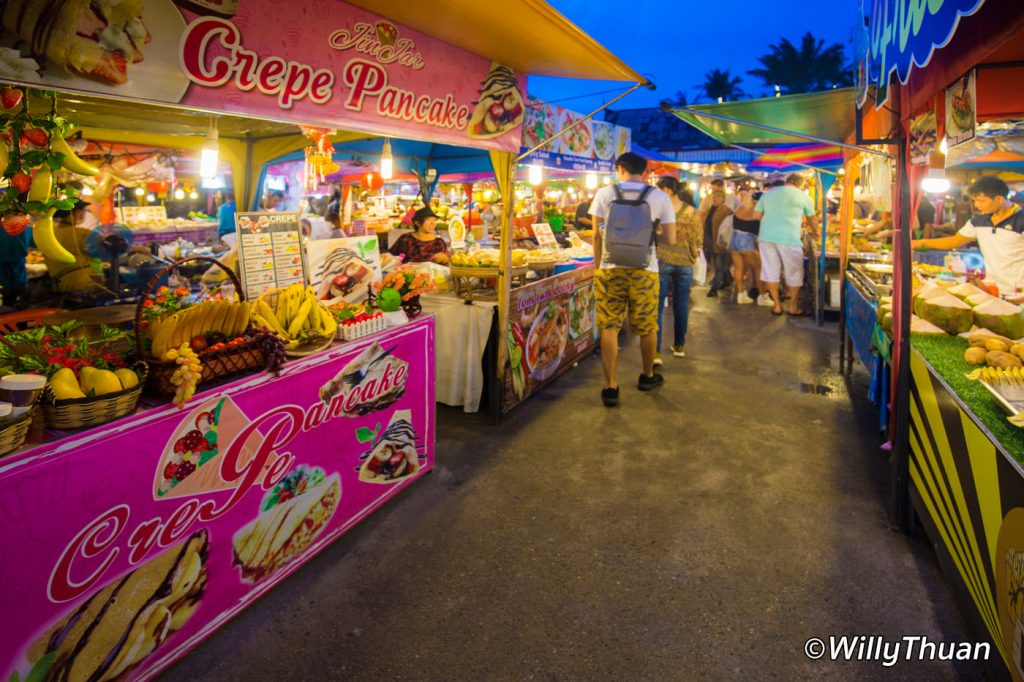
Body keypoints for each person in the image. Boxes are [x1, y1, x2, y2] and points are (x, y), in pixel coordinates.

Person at [589, 152, 676, 407]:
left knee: (610, 325)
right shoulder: (659, 197)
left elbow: (595, 236)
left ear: (620, 169)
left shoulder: (605, 194)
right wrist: (652, 230)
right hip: (645, 270)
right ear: (645, 171)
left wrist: (598, 267)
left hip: (610, 268)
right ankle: (648, 376)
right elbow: (670, 239)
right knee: (648, 325)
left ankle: (611, 386)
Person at [912, 176, 1024, 294]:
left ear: (999, 199)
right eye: (974, 200)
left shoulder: (1021, 219)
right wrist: (918, 243)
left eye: (981, 201)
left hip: (1019, 290)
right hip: (991, 287)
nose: (976, 205)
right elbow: (956, 241)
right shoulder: (978, 220)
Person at [752, 173, 819, 316]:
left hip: (766, 237)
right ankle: (793, 307)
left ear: (787, 182)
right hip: (789, 238)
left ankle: (777, 306)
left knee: (771, 272)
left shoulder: (768, 194)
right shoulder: (803, 197)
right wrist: (817, 233)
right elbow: (812, 219)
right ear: (801, 184)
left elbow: (756, 216)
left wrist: (772, 221)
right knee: (794, 272)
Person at [653, 177, 700, 365]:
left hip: (662, 260)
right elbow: (698, 239)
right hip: (685, 263)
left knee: (657, 306)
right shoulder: (691, 211)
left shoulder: (659, 211)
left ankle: (655, 352)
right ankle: (679, 345)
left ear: (667, 190)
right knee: (681, 304)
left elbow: (654, 235)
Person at [44, 200, 98, 293]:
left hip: (59, 285)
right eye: (83, 211)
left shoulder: (48, 233)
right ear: (76, 212)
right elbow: (98, 253)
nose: (84, 214)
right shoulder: (82, 233)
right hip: (81, 283)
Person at [730, 189, 766, 305]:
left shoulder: (740, 208)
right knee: (758, 268)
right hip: (746, 242)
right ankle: (762, 297)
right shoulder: (757, 213)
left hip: (734, 239)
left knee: (739, 268)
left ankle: (741, 295)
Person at [703, 189, 733, 297]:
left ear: (723, 199)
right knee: (718, 265)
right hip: (710, 242)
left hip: (721, 243)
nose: (715, 198)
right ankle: (727, 281)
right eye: (714, 196)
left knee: (719, 266)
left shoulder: (727, 211)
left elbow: (730, 228)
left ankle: (714, 288)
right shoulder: (710, 210)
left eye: (718, 196)